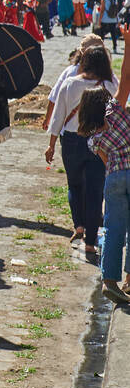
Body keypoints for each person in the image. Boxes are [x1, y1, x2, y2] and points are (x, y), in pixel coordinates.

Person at [46, 44, 117, 259]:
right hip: (99, 142)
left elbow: (58, 116)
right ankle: (91, 244)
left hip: (72, 141)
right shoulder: (108, 86)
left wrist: (51, 144)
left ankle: (78, 225)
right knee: (96, 191)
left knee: (74, 185)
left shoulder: (69, 84)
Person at [90, 31, 130, 302]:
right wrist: (127, 45)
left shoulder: (92, 137)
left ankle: (109, 281)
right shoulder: (116, 111)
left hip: (113, 178)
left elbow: (107, 164)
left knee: (113, 228)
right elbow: (125, 79)